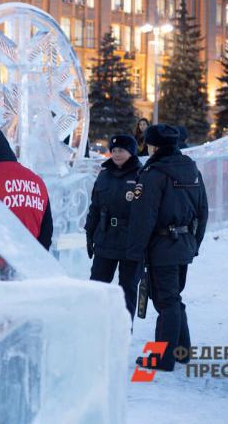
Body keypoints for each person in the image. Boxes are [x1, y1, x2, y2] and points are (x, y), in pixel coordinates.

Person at [126, 124, 208, 372]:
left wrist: (134, 252)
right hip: (183, 244)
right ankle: (182, 351)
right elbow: (203, 211)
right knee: (173, 298)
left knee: (165, 301)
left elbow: (143, 218)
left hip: (162, 247)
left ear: (154, 146)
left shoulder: (154, 174)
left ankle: (162, 357)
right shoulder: (191, 169)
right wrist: (194, 243)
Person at [85, 134, 142, 318]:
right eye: (114, 150)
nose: (117, 154)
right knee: (97, 286)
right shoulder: (104, 175)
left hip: (130, 242)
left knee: (128, 289)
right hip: (105, 238)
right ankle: (95, 325)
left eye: (122, 151)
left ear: (131, 152)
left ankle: (124, 330)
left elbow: (147, 213)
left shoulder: (141, 175)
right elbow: (95, 207)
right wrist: (89, 233)